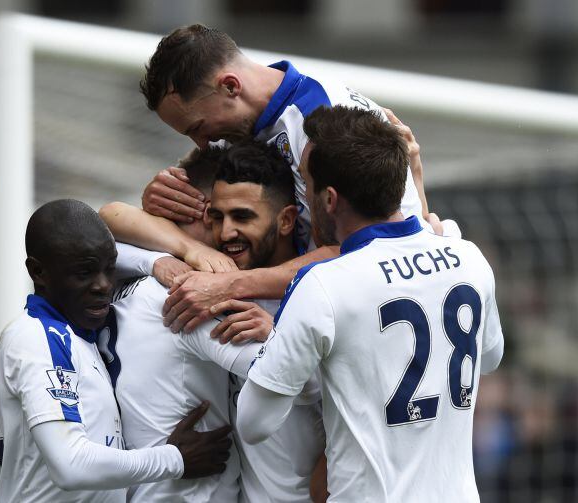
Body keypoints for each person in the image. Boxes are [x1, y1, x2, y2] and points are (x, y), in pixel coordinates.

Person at [236, 106, 504, 502]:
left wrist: (279, 344)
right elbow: (492, 358)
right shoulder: (468, 259)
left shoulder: (323, 287)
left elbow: (254, 423)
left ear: (328, 198)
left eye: (306, 184)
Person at [137, 24, 444, 333]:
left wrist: (233, 286)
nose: (202, 143)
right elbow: (120, 219)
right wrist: (158, 200)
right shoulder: (242, 128)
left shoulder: (324, 123)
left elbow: (368, 250)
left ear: (230, 87)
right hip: (314, 315)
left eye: (197, 127)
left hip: (377, 321)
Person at [101, 142, 324, 502]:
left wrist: (280, 341)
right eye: (216, 217)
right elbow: (104, 224)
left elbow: (346, 392)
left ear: (285, 220)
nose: (225, 233)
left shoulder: (317, 297)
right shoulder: (205, 290)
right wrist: (161, 259)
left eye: (243, 217)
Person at [0, 199, 232, 503]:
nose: (104, 286)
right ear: (38, 272)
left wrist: (154, 262)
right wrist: (174, 459)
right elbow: (71, 466)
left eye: (110, 270)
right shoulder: (37, 337)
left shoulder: (80, 336)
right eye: (85, 273)